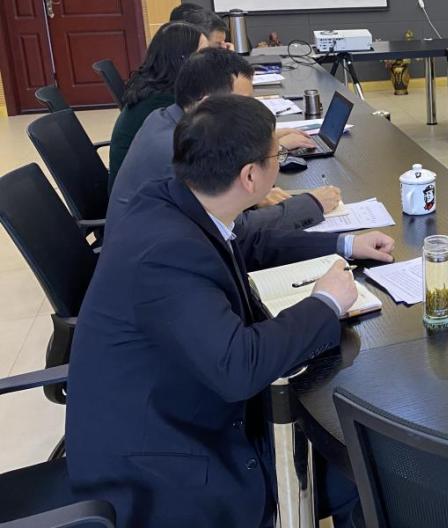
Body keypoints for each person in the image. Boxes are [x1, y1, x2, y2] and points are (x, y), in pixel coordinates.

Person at [67, 94, 396, 528]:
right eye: (276, 155)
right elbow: (239, 367)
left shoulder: (170, 199)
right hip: (165, 466)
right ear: (250, 176)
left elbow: (248, 243)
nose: (280, 162)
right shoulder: (167, 254)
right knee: (367, 472)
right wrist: (326, 303)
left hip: (172, 413)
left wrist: (345, 243)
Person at [108, 48, 338, 232]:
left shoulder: (166, 118)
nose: (249, 110)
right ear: (207, 102)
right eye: (242, 102)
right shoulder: (180, 151)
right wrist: (312, 204)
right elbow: (237, 229)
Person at [107, 21, 207, 190]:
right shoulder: (162, 103)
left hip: (141, 189)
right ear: (183, 59)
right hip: (143, 196)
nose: (208, 61)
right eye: (203, 54)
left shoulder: (155, 87)